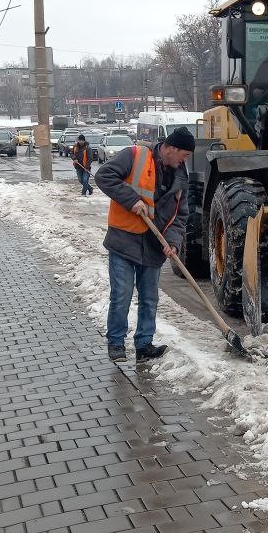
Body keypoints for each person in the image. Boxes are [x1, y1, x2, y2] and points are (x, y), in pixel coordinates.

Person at [95, 127, 194, 363]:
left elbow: (180, 215)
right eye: (184, 155)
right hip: (125, 240)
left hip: (153, 243)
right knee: (122, 295)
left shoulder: (180, 176)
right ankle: (116, 343)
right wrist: (132, 201)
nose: (184, 160)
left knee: (150, 298)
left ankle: (144, 344)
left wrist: (173, 243)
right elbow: (103, 176)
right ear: (171, 148)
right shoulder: (135, 155)